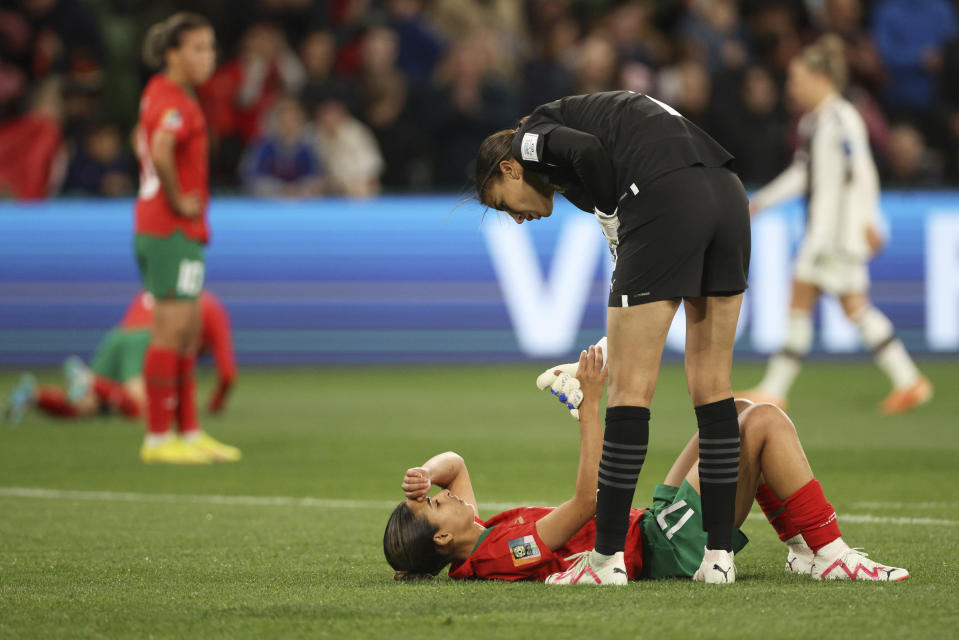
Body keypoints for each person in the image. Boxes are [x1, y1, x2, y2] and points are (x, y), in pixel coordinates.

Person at [472, 90, 750, 584]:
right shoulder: (571, 138)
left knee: (630, 391)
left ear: (510, 169)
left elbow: (589, 152)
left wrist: (608, 216)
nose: (517, 218)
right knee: (713, 386)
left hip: (664, 199)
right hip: (727, 193)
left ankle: (605, 560)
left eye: (502, 204)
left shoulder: (529, 138)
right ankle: (718, 559)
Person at [383, 344, 908, 583]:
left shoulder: (475, 533)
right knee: (764, 422)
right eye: (434, 503)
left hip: (651, 528)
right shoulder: (500, 553)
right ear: (442, 540)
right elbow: (589, 503)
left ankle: (799, 549)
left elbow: (455, 464)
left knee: (736, 416)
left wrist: (426, 472)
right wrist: (592, 408)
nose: (447, 493)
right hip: (663, 550)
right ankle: (830, 552)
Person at [740, 36, 932, 415]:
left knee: (816, 299)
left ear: (820, 76)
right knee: (851, 306)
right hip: (831, 231)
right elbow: (803, 173)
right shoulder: (816, 121)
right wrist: (761, 202)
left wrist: (868, 221)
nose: (791, 87)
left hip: (836, 234)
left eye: (797, 78)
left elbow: (861, 174)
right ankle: (909, 381)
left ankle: (776, 389)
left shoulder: (842, 118)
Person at [133, 13, 239, 465]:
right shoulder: (171, 99)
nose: (207, 57)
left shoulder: (170, 96)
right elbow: (159, 148)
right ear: (172, 53)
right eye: (197, 48)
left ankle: (189, 430)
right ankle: (159, 438)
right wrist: (178, 200)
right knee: (170, 331)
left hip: (180, 231)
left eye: (210, 47)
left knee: (188, 330)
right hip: (168, 228)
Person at [2, 290, 237, 429]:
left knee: (86, 406)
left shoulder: (157, 289)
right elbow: (227, 372)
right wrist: (215, 405)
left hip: (118, 337)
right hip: (147, 340)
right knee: (145, 409)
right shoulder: (210, 307)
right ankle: (92, 383)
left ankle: (36, 394)